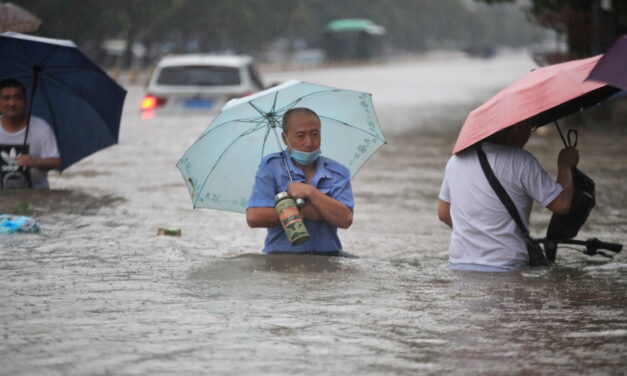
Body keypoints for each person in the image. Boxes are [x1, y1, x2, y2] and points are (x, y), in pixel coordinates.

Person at [437, 121, 579, 271]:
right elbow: (561, 204)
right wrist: (565, 165)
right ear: (515, 128)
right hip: (506, 267)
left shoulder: (455, 161)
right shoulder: (521, 161)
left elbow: (443, 214)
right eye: (529, 127)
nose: (529, 134)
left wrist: (478, 233)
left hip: (459, 266)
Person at [246, 107, 354, 255]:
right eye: (301, 135)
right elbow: (254, 217)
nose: (309, 142)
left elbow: (345, 219)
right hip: (281, 257)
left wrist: (311, 192)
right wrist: (303, 211)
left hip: (328, 257)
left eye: (315, 134)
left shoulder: (337, 172)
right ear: (285, 138)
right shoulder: (271, 167)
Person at [0, 78, 60, 188]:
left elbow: (55, 161)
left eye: (17, 98)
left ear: (25, 102)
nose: (12, 103)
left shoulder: (41, 128)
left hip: (36, 195)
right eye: (6, 98)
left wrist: (34, 162)